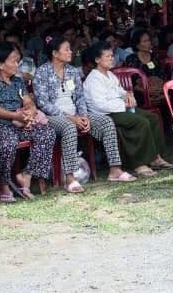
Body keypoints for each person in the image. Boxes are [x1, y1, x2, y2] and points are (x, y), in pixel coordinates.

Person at [33, 34, 133, 189]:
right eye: (67, 49)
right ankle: (70, 178)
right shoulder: (42, 72)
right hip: (52, 117)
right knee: (69, 127)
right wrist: (70, 118)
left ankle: (115, 169)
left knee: (106, 122)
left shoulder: (72, 71)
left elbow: (80, 97)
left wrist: (83, 116)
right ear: (55, 53)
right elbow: (43, 103)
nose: (71, 52)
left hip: (76, 114)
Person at [0, 42, 57, 201]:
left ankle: (26, 176)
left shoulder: (17, 81)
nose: (17, 64)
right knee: (8, 139)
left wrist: (29, 114)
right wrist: (16, 116)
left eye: (17, 61)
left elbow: (28, 102)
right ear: (1, 64)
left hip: (17, 125)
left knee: (47, 133)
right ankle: (4, 184)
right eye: (13, 61)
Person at [81, 45, 172, 177]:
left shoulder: (110, 74)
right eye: (107, 56)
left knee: (152, 118)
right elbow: (100, 105)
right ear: (97, 60)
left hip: (120, 108)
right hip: (107, 114)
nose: (112, 59)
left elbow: (120, 91)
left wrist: (128, 95)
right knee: (140, 122)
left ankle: (155, 157)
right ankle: (139, 163)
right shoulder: (93, 79)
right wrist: (123, 105)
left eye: (112, 56)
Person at [122, 28, 165, 106]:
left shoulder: (154, 56)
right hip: (140, 92)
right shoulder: (131, 59)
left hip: (157, 90)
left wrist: (157, 88)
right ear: (137, 45)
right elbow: (131, 82)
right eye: (145, 41)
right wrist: (146, 90)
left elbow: (161, 75)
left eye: (149, 40)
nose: (148, 43)